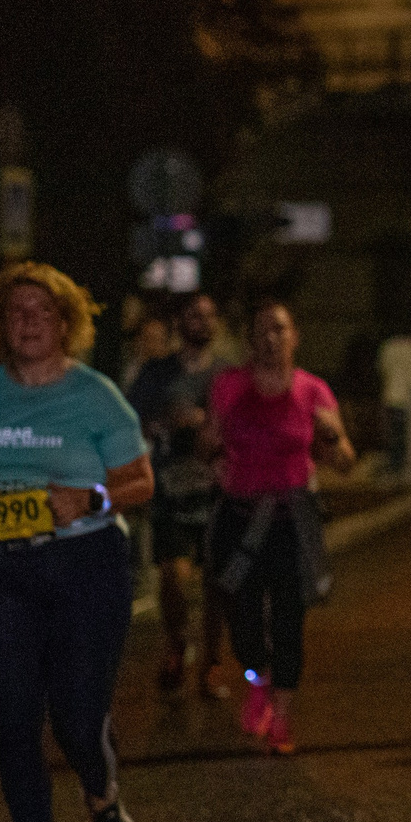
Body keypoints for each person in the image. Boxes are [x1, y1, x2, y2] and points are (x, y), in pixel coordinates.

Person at [0, 263, 155, 822]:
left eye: (42, 311)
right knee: (12, 715)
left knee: (75, 717)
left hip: (84, 564)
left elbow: (141, 481)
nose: (29, 321)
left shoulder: (96, 396)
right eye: (17, 312)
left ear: (66, 323)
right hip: (0, 570)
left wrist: (89, 496)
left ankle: (102, 796)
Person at [205, 301, 353, 756]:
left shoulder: (313, 390)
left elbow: (345, 461)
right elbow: (207, 444)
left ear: (295, 337)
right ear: (250, 340)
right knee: (242, 616)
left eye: (280, 329)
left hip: (291, 517)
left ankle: (282, 717)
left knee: (289, 617)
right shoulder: (229, 386)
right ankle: (257, 678)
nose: (271, 338)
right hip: (241, 514)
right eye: (261, 331)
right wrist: (210, 449)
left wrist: (331, 435)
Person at [126, 292, 232, 698]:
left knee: (217, 581)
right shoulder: (157, 373)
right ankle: (176, 644)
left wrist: (206, 422)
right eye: (193, 315)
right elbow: (130, 416)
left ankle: (212, 660)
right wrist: (158, 424)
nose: (201, 322)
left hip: (217, 486)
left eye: (208, 315)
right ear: (179, 323)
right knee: (173, 573)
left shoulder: (226, 375)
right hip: (172, 485)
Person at [377, 326, 411, 480]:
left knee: (395, 435)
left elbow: (383, 371)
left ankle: (395, 469)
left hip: (393, 397)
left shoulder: (388, 347)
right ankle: (406, 471)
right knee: (410, 435)